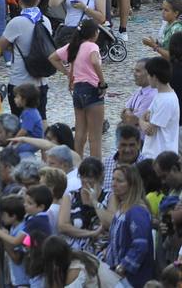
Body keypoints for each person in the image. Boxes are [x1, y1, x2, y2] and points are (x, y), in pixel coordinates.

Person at [51, 20, 106, 159]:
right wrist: (102, 81)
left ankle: (77, 163)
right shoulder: (92, 46)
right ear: (94, 33)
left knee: (80, 132)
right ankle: (95, 167)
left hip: (78, 90)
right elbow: (94, 61)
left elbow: (53, 58)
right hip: (92, 89)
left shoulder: (73, 46)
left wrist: (68, 73)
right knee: (95, 136)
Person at [105, 164, 155, 287]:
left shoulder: (137, 210)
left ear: (131, 184)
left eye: (119, 181)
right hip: (117, 273)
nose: (114, 184)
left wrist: (123, 266)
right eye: (113, 179)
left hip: (132, 278)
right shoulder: (122, 207)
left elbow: (140, 244)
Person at [143, 54, 181, 160]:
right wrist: (145, 119)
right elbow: (145, 115)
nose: (147, 78)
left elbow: (150, 130)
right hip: (155, 154)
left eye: (148, 75)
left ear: (154, 77)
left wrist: (141, 121)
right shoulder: (160, 95)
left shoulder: (166, 100)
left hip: (160, 157)